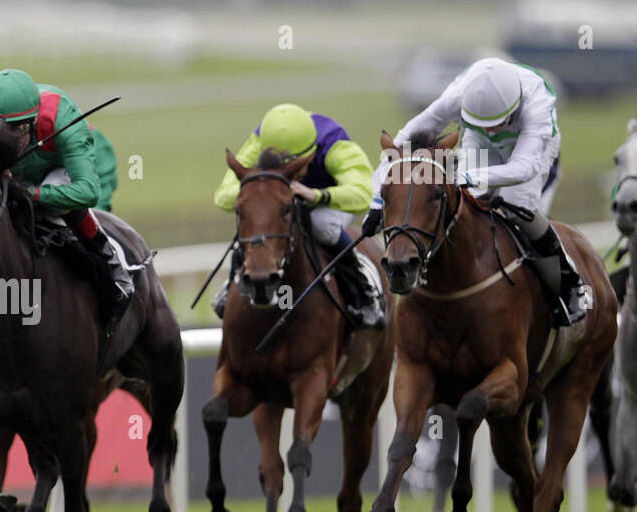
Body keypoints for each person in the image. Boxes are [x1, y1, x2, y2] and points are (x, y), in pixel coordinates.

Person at [365, 57, 587, 326]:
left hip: (529, 150)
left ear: (513, 108)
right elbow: (398, 146)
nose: (490, 129)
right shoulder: (458, 96)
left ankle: (570, 282)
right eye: (481, 121)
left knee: (517, 206)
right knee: (466, 201)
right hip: (477, 143)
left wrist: (469, 176)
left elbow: (523, 167)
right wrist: (377, 200)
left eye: (495, 122)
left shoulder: (537, 106)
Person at [0, 68, 133, 325]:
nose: (7, 136)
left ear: (34, 119)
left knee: (55, 206)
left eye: (17, 128)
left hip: (60, 169)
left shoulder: (61, 117)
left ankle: (111, 263)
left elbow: (87, 191)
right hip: (16, 174)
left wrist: (30, 192)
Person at [212, 103, 383, 329]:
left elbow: (364, 193)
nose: (288, 175)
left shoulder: (335, 142)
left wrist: (317, 195)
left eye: (294, 168)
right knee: (256, 218)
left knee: (321, 224)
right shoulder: (261, 139)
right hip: (283, 204)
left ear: (311, 152)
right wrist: (263, 197)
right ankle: (230, 284)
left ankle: (363, 292)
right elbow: (224, 196)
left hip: (329, 201)